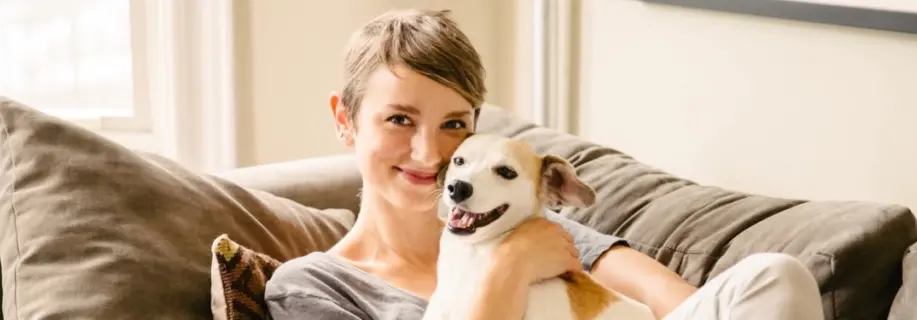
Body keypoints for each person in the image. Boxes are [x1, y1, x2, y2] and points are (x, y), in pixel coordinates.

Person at [264, 8, 825, 320]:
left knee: (775, 276)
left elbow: (683, 310)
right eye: (399, 120)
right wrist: (509, 271)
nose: (429, 154)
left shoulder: (527, 220)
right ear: (345, 120)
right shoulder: (312, 287)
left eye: (453, 125)